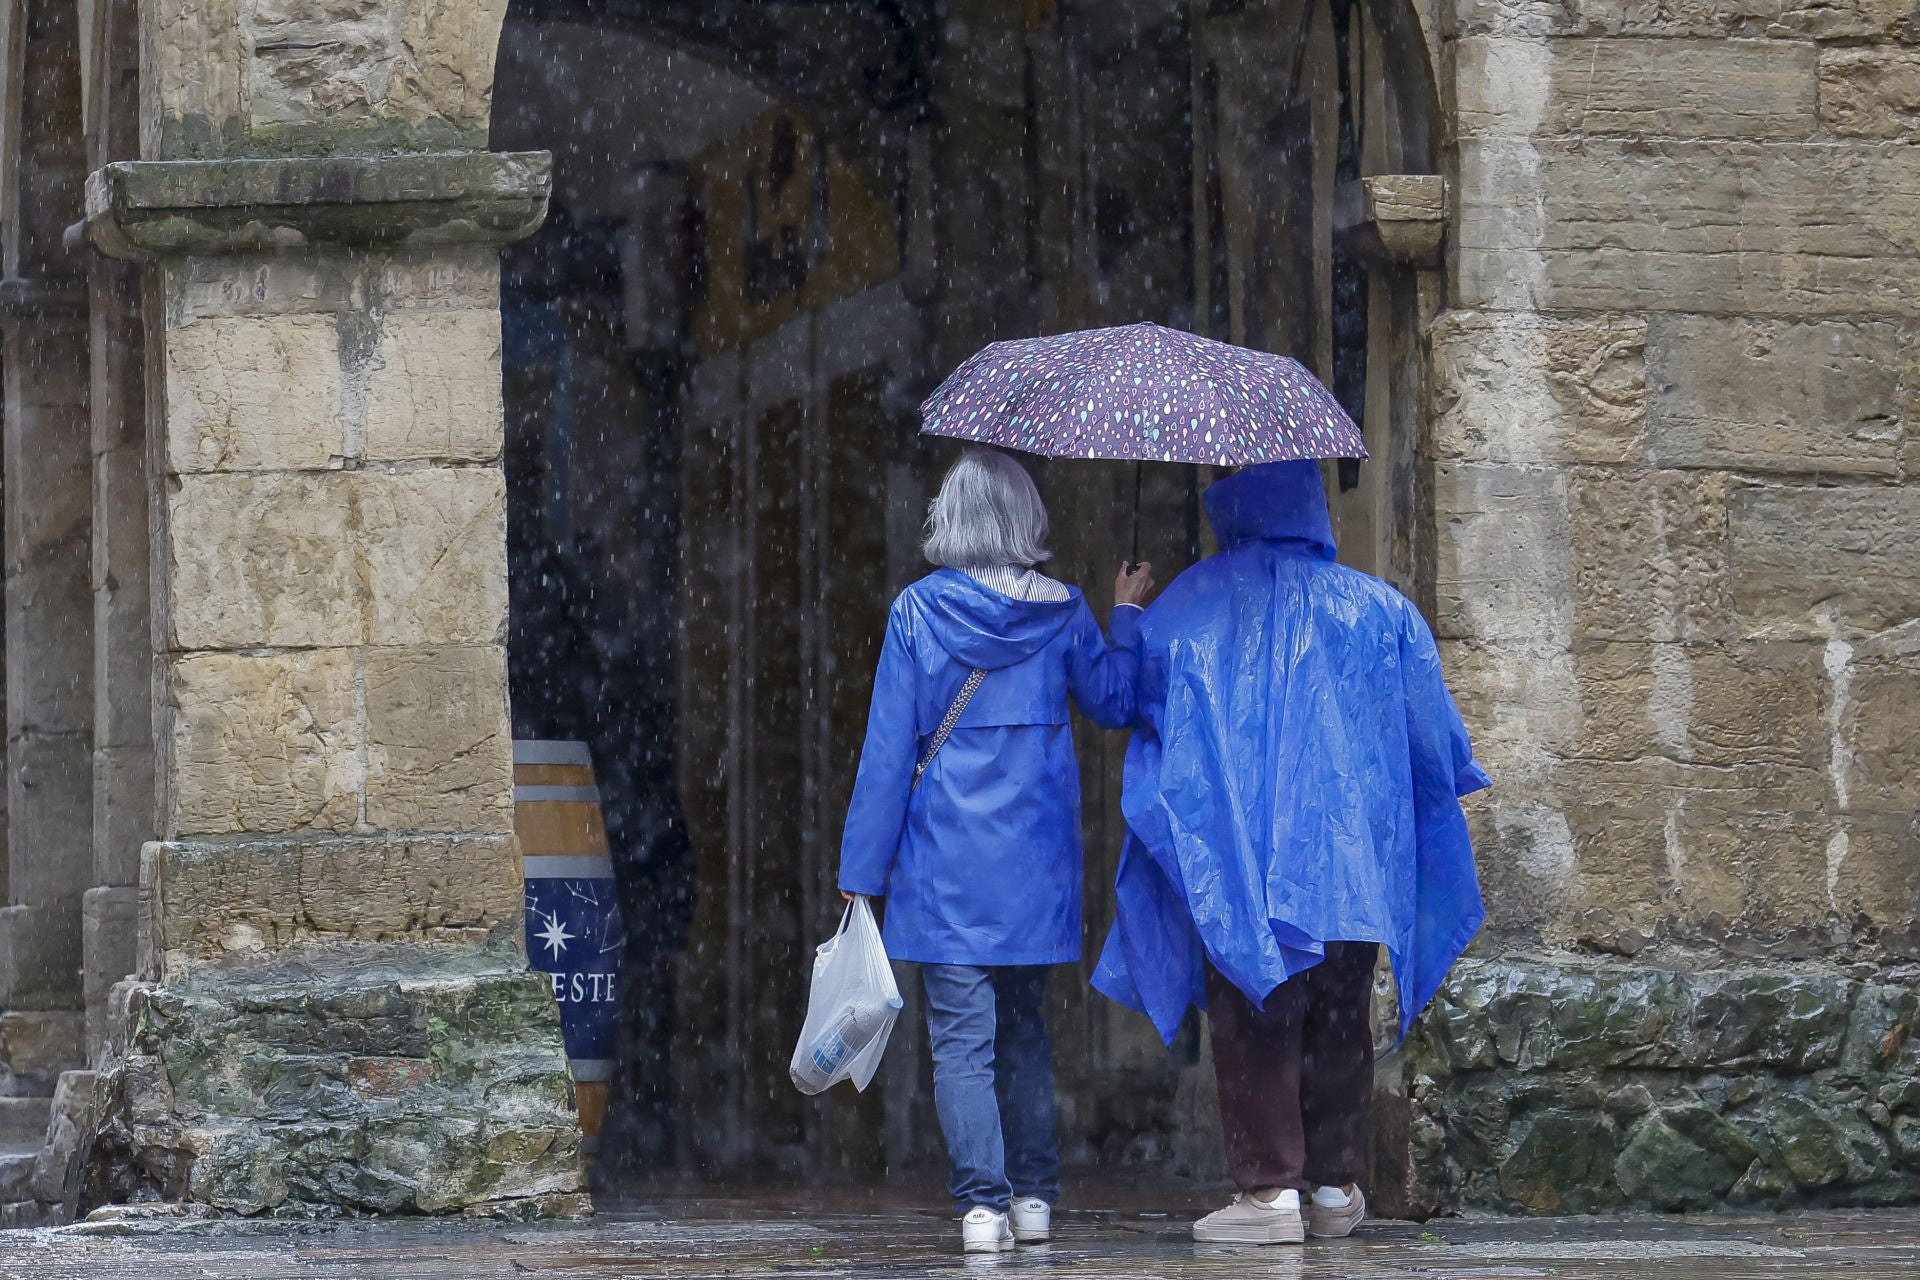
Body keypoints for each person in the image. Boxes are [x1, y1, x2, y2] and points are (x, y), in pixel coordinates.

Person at [1092, 459, 1489, 1246]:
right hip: (1351, 864)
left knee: (1256, 1014)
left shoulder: (1191, 607)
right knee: (1341, 1018)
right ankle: (1336, 1185)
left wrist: (1126, 615)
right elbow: (1436, 745)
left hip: (1242, 860)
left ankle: (1270, 1192)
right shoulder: (1382, 612)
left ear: (1232, 503)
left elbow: (1121, 700)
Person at [837, 449, 1153, 1255]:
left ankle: (983, 1206)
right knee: (1026, 1035)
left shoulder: (916, 613)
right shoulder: (1066, 611)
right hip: (1036, 869)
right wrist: (1126, 614)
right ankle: (1037, 1197)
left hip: (947, 868)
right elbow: (1117, 702)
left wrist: (860, 880)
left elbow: (885, 756)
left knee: (962, 1043)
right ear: (1026, 521)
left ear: (952, 518)